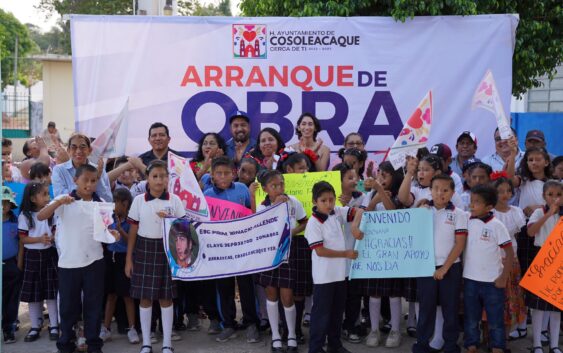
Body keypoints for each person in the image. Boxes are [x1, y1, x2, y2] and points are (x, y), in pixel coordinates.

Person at [37, 164, 120, 353]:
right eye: (85, 180)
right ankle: (66, 343)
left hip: (95, 262)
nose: (89, 185)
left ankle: (93, 344)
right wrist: (59, 203)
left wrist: (114, 234)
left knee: (93, 306)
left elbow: (106, 232)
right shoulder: (64, 200)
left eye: (93, 181)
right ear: (75, 180)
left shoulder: (100, 204)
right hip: (68, 263)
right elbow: (42, 216)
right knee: (68, 308)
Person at [124, 160, 186, 353]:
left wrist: (181, 256)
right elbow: (133, 230)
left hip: (167, 250)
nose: (159, 180)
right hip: (144, 250)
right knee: (145, 298)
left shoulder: (174, 200)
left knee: (166, 297)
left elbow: (182, 229)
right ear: (147, 179)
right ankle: (146, 343)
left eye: (163, 176)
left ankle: (167, 343)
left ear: (168, 178)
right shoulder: (138, 200)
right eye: (155, 176)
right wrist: (129, 259)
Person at [203, 156, 261, 343]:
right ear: (212, 175)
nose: (223, 176)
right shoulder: (208, 195)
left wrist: (252, 197)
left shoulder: (243, 189)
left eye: (227, 173)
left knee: (246, 286)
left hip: (242, 247)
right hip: (221, 250)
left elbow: (251, 214)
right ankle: (228, 324)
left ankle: (251, 323)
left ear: (234, 174)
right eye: (218, 173)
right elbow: (205, 223)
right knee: (224, 287)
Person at [252, 170, 307, 352]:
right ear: (266, 189)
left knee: (287, 296)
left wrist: (294, 231)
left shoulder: (293, 202)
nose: (279, 188)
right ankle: (275, 336)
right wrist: (275, 206)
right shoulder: (263, 206)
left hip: (288, 254)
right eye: (274, 186)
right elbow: (259, 227)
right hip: (269, 256)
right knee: (271, 295)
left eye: (281, 184)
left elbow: (305, 221)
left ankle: (291, 334)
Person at [413, 175, 467, 353]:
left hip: (450, 268)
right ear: (430, 190)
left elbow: (459, 244)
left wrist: (445, 268)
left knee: (450, 308)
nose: (440, 193)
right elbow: (411, 233)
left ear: (452, 192)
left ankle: (451, 345)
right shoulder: (423, 210)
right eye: (436, 188)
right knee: (426, 308)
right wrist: (418, 210)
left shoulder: (458, 214)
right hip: (425, 267)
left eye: (445, 190)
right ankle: (422, 344)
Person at [306, 181, 360, 353]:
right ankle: (315, 348)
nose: (329, 204)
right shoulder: (313, 223)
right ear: (315, 201)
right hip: (324, 277)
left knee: (337, 313)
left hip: (340, 275)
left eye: (331, 199)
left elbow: (359, 210)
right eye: (324, 200)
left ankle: (334, 345)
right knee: (321, 315)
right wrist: (345, 254)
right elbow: (320, 251)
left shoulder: (337, 212)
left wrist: (355, 227)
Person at [463, 185, 514, 353]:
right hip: (470, 279)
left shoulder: (497, 225)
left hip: (493, 282)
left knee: (495, 319)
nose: (472, 205)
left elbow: (509, 252)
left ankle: (498, 346)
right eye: (471, 201)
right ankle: (471, 344)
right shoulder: (467, 220)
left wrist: (503, 278)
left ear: (489, 206)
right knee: (471, 317)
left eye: (477, 202)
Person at [18, 181, 59, 342]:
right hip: (33, 257)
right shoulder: (25, 216)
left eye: (48, 194)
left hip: (49, 255)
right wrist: (40, 239)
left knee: (51, 293)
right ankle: (35, 325)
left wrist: (52, 237)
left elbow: (56, 230)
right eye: (44, 194)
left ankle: (54, 325)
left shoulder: (51, 213)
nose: (48, 197)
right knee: (34, 295)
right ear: (33, 198)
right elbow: (23, 239)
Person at [526, 180, 562, 353]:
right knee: (538, 305)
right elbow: (531, 232)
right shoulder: (539, 212)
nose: (555, 199)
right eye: (550, 195)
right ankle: (537, 344)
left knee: (556, 306)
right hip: (541, 258)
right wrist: (549, 214)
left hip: (559, 262)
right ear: (544, 196)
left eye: (559, 195)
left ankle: (554, 344)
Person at [99, 188, 140, 344]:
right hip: (111, 257)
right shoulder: (109, 218)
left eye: (115, 202)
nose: (113, 206)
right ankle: (106, 329)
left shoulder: (131, 220)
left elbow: (132, 241)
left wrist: (120, 229)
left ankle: (132, 328)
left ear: (125, 203)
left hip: (125, 258)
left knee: (127, 296)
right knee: (111, 295)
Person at [491, 175, 527, 341]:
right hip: (492, 262)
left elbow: (519, 234)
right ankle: (491, 337)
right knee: (493, 300)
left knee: (509, 301)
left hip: (511, 261)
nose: (505, 194)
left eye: (508, 191)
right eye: (500, 191)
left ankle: (503, 339)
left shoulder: (517, 212)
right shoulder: (489, 213)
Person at [51, 133, 113, 202]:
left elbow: (108, 200)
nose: (78, 151)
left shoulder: (99, 170)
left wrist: (98, 179)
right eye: (74, 147)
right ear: (68, 150)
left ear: (90, 150)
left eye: (82, 147)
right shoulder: (59, 170)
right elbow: (59, 196)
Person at [2, 186, 21, 344]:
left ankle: (9, 328)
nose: (3, 206)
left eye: (7, 203)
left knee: (11, 298)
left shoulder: (15, 222)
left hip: (10, 264)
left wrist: (19, 262)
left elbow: (20, 243)